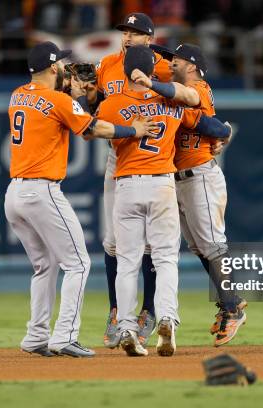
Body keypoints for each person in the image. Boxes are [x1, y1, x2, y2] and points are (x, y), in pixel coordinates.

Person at [5, 41, 158, 358]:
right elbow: (94, 128)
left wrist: (73, 97)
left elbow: (55, 111)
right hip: (41, 190)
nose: (64, 67)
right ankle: (64, 337)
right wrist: (134, 129)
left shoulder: (18, 94)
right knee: (77, 264)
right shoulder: (58, 100)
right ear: (51, 69)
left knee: (44, 266)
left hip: (14, 195)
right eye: (60, 63)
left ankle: (36, 336)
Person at [96, 45, 233, 357]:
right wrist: (222, 134)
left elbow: (91, 128)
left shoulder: (113, 103)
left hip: (127, 186)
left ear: (127, 69)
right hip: (162, 185)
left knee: (128, 262)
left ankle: (128, 327)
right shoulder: (169, 102)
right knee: (166, 260)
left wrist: (125, 126)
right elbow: (206, 124)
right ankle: (167, 320)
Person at [133, 44, 247, 347]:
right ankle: (230, 302)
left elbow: (190, 104)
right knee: (199, 246)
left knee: (212, 243)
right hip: (179, 179)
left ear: (193, 65)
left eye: (177, 59)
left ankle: (233, 307)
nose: (171, 62)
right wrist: (222, 132)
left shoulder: (198, 86)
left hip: (200, 175)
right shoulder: (178, 91)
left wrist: (221, 132)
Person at [95, 12, 173, 349]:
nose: (128, 37)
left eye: (136, 33)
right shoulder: (107, 64)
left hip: (156, 160)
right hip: (119, 157)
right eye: (125, 31)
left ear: (150, 38)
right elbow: (94, 104)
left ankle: (148, 311)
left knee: (149, 248)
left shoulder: (166, 69)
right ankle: (117, 311)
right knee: (114, 243)